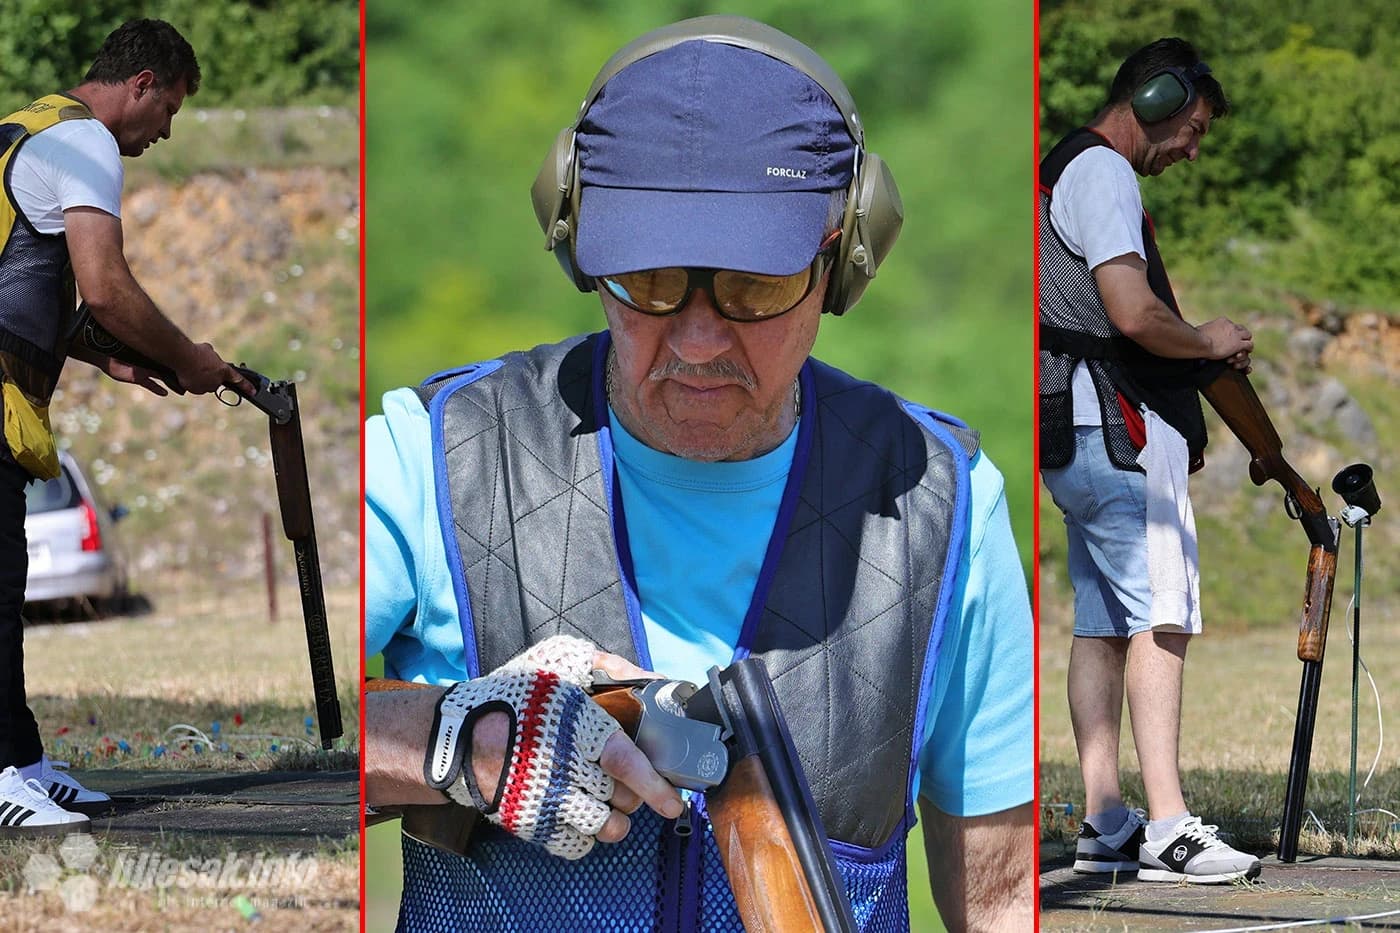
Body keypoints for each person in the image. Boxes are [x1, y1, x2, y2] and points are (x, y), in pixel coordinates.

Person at [365, 15, 1033, 931]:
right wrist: (456, 739)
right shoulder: (427, 458)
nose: (698, 338)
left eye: (756, 284)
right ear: (576, 241)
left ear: (843, 255)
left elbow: (1000, 902)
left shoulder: (944, 504)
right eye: (647, 278)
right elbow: (269, 727)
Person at [0, 19, 250, 835]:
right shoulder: (87, 145)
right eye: (169, 109)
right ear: (141, 83)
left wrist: (103, 356)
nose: (166, 130)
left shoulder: (25, 125)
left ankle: (23, 762)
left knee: (5, 589)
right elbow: (105, 287)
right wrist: (192, 357)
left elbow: (23, 276)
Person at [1038, 37, 1261, 884]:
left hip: (1077, 432)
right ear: (1157, 100)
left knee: (1101, 623)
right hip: (1113, 427)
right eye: (1193, 127)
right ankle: (1168, 825)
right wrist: (1206, 337)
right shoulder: (1105, 173)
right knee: (1161, 615)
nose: (1193, 147)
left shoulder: (1069, 164)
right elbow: (1131, 312)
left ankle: (1105, 819)